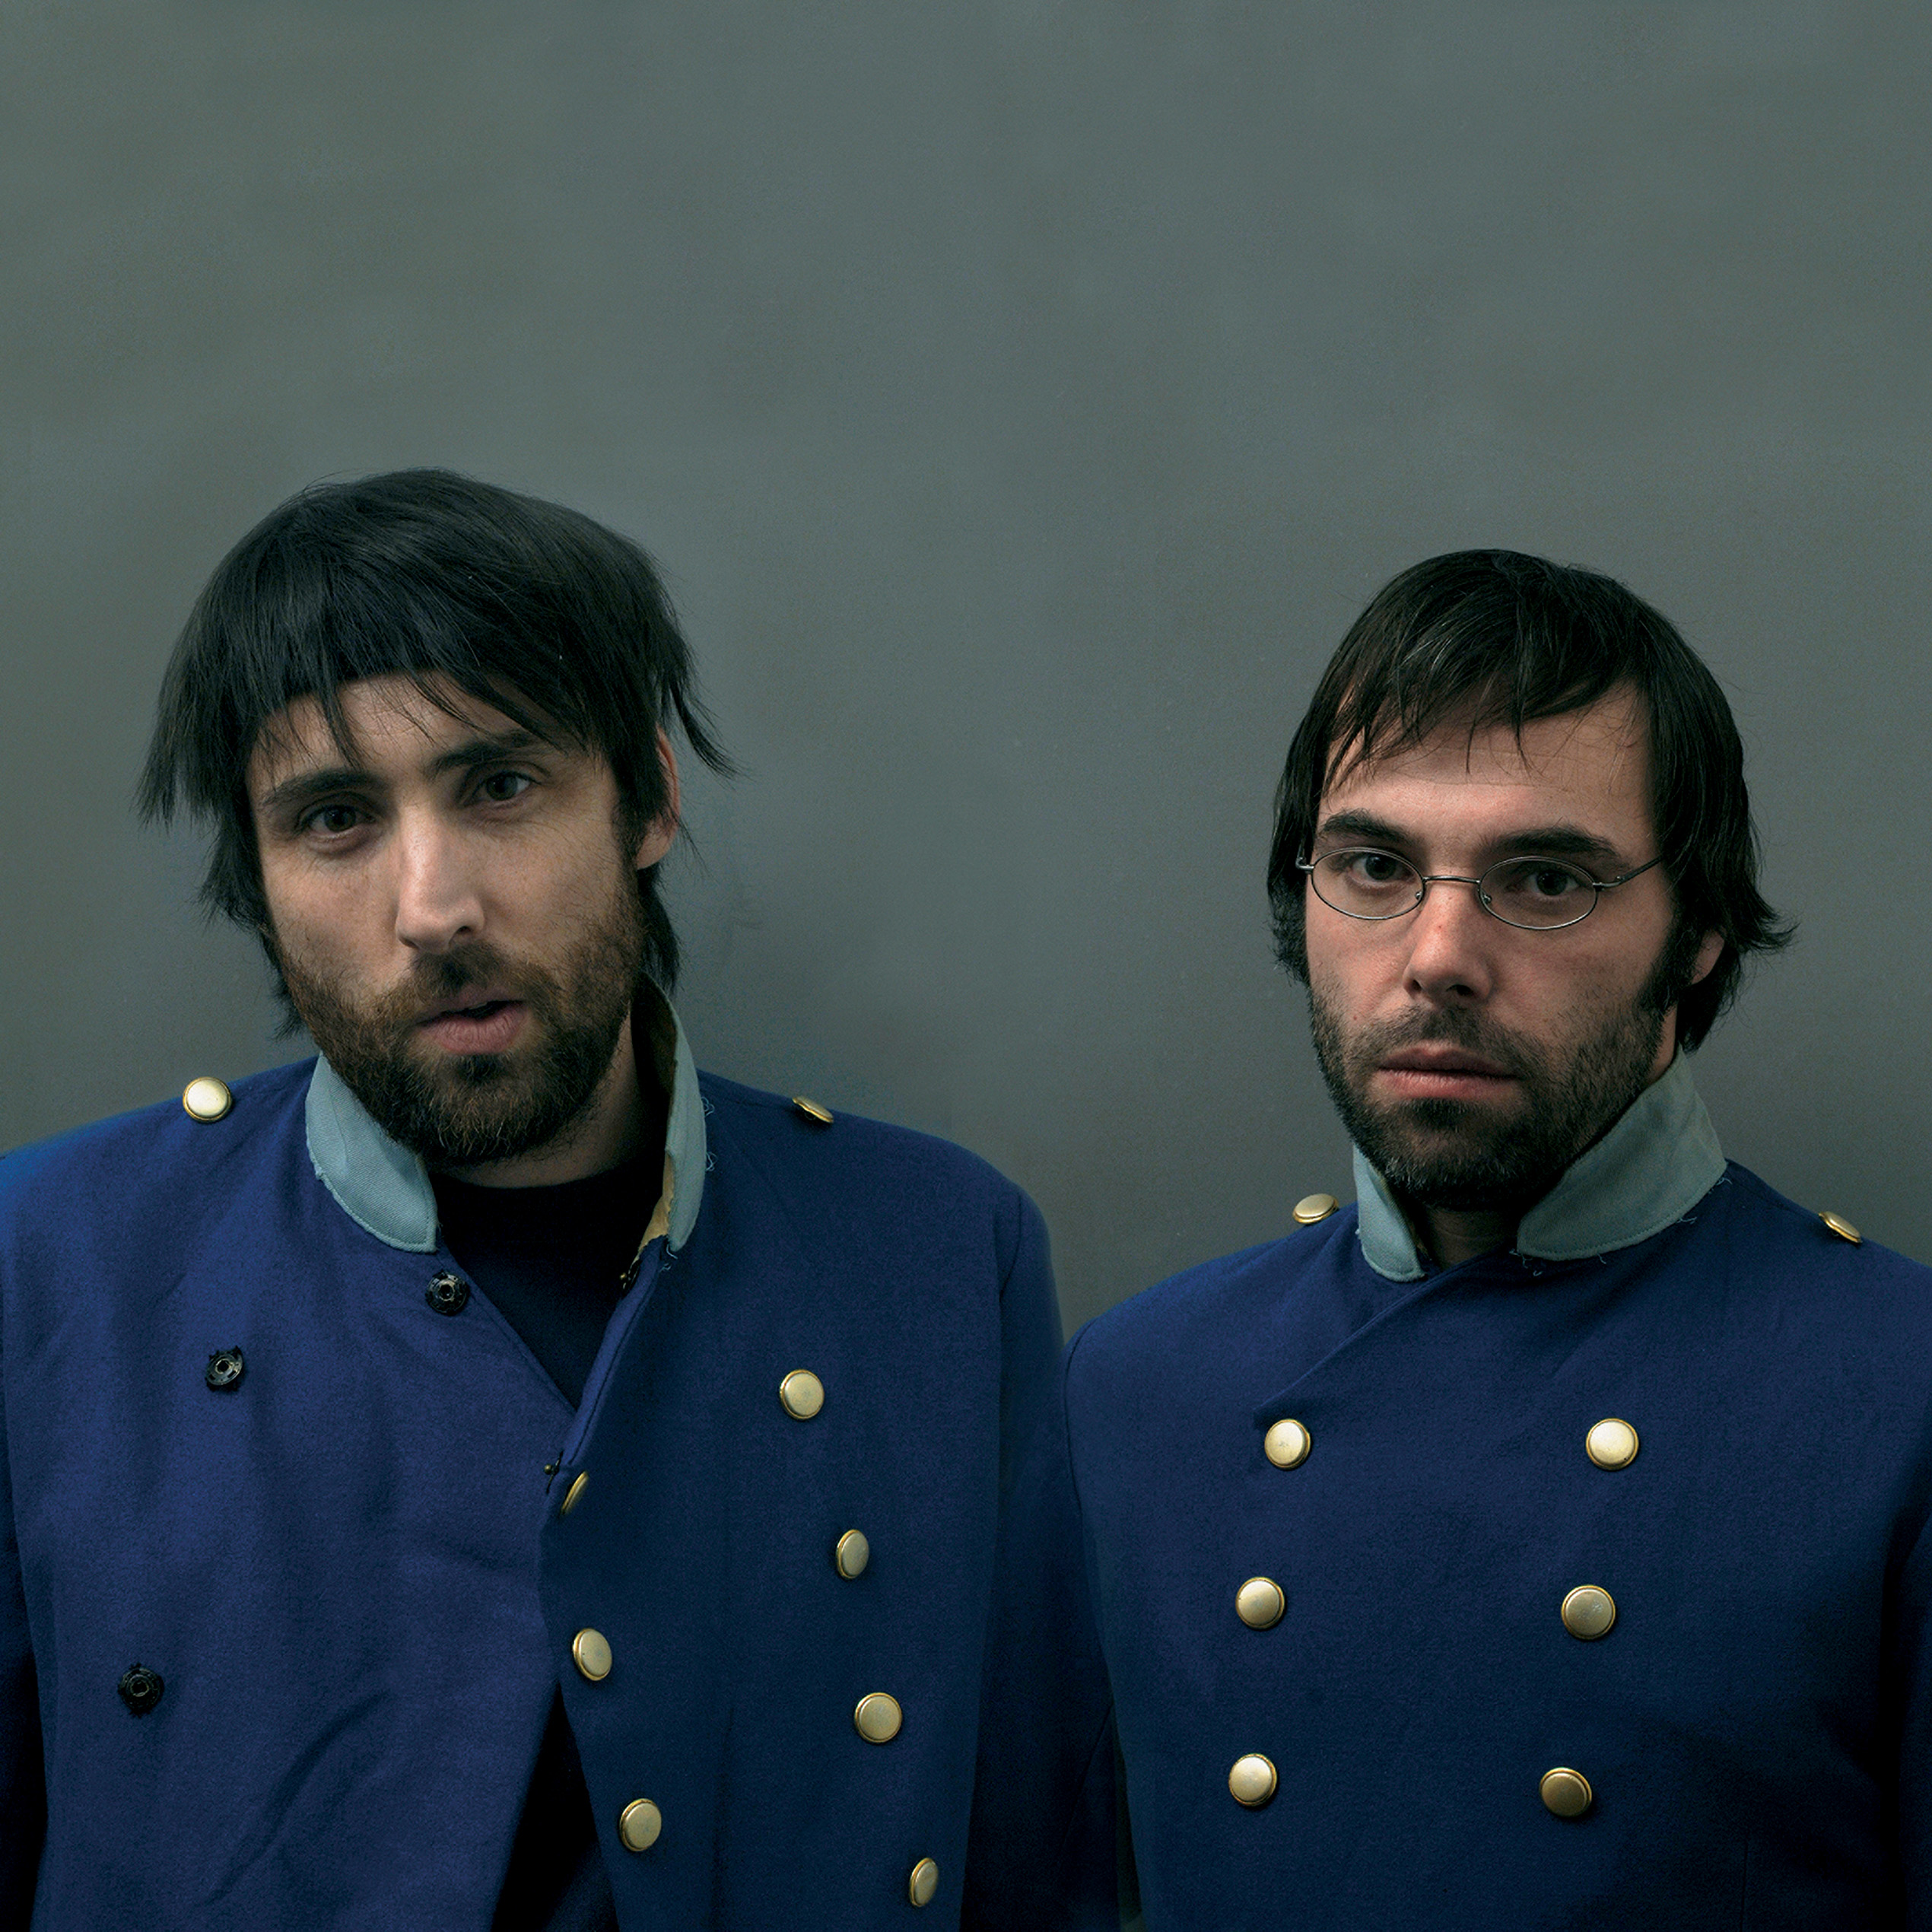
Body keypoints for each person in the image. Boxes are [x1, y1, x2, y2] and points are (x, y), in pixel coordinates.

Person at [0, 470, 1060, 1930]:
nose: (433, 908)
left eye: (499, 787)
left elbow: (1036, 1870)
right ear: (257, 873)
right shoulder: (51, 1264)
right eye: (334, 818)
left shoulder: (941, 1250)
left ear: (647, 798)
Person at [963, 550, 1932, 1929]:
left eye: (1545, 880)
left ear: (1701, 931)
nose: (1436, 956)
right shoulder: (1138, 1386)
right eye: (1374, 867)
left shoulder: (1900, 1388)